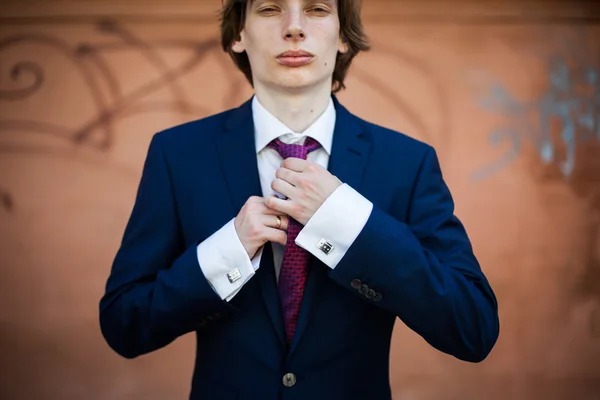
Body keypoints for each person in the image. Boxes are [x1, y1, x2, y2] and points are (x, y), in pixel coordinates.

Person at [99, 0, 500, 398]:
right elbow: (125, 324)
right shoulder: (178, 154)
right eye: (271, 9)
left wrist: (348, 223)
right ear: (240, 34)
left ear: (343, 35)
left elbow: (473, 328)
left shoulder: (407, 163)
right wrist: (228, 251)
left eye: (317, 9)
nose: (294, 27)